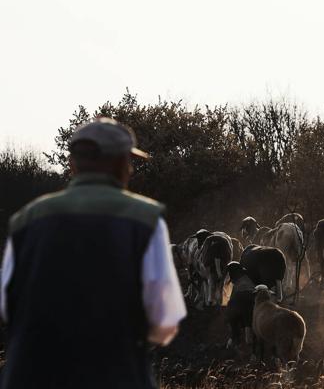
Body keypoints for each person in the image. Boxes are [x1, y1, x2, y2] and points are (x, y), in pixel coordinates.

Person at [0, 117, 187, 389]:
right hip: (114, 374)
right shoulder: (144, 219)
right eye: (130, 162)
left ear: (72, 163)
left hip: (29, 375)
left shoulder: (26, 219)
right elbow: (164, 319)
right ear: (121, 163)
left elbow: (8, 306)